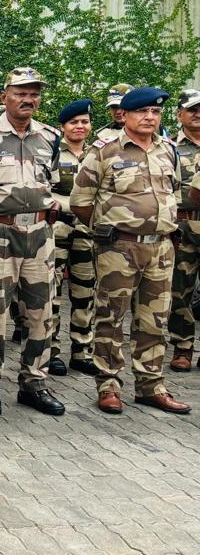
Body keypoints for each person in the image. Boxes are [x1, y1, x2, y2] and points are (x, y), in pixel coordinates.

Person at [71, 86, 189, 415]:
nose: (150, 117)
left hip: (161, 248)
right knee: (111, 317)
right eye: (142, 112)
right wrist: (108, 229)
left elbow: (174, 193)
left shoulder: (168, 149)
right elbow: (81, 201)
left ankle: (150, 385)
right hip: (118, 248)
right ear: (126, 115)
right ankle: (108, 384)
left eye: (155, 112)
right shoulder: (105, 150)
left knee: (154, 321)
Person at [0, 67, 66, 417]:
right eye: (20, 92)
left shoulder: (50, 137)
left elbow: (54, 185)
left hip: (40, 235)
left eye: (33, 93)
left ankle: (34, 382)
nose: (28, 98)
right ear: (4, 97)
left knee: (41, 311)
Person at [52, 99, 98, 375]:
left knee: (85, 293)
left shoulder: (97, 154)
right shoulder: (53, 152)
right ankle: (52, 351)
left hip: (87, 232)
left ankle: (82, 351)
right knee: (52, 294)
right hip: (58, 230)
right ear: (63, 127)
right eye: (74, 122)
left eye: (84, 122)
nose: (80, 127)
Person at [167, 88, 200, 371]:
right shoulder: (168, 148)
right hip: (182, 225)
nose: (199, 114)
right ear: (180, 114)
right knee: (180, 290)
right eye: (193, 109)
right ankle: (182, 346)